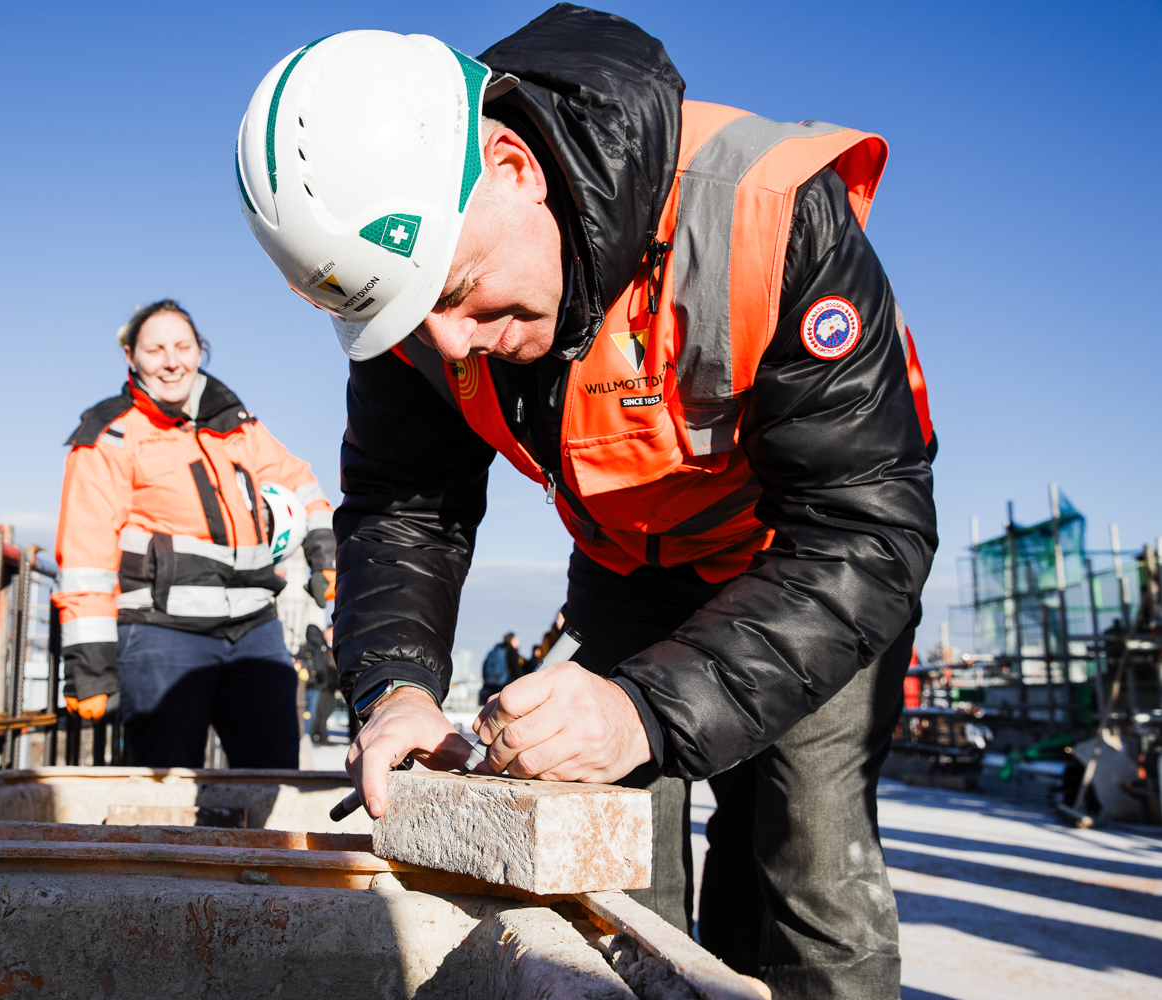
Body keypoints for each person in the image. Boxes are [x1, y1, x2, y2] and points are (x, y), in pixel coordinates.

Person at [234, 8, 935, 999]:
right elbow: (404, 504)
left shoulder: (762, 212)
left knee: (806, 862)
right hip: (629, 568)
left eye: (465, 291)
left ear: (515, 166)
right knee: (613, 871)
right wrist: (395, 686)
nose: (452, 343)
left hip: (806, 564)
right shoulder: (418, 311)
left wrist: (643, 708)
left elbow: (865, 529)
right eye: (413, 317)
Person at [53, 299, 337, 769]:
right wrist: (89, 666)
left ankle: (261, 849)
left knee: (274, 775)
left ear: (200, 351)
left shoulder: (236, 425)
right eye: (155, 349)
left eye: (183, 346)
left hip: (253, 628)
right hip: (161, 633)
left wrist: (324, 551)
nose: (171, 361)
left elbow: (300, 480)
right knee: (161, 783)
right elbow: (87, 559)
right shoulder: (109, 435)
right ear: (131, 358)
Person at [297, 623, 339, 746]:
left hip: (319, 684)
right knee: (314, 713)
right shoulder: (320, 647)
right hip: (320, 684)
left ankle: (312, 737)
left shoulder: (321, 647)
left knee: (314, 712)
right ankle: (311, 738)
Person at [478, 633, 522, 704]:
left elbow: (485, 666)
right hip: (505, 686)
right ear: (512, 640)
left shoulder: (494, 650)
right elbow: (516, 670)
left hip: (490, 686)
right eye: (516, 640)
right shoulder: (510, 650)